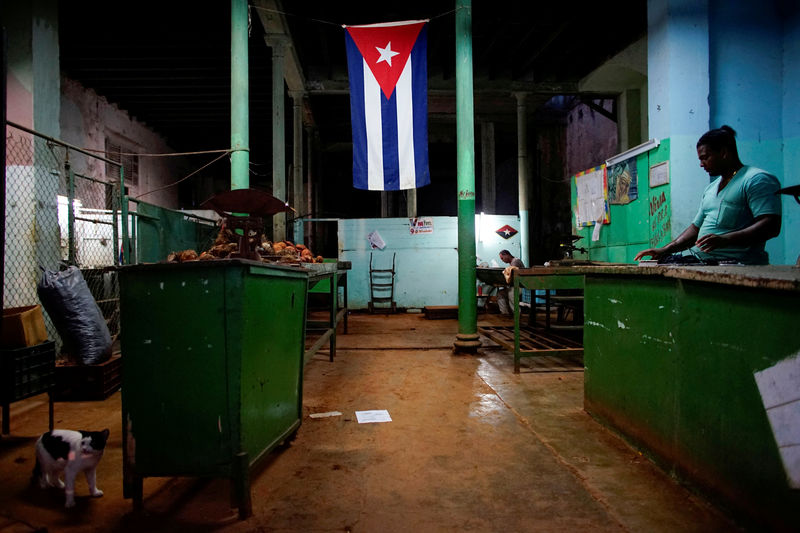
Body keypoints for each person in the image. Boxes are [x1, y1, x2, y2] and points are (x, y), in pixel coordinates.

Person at [634, 125, 782, 265]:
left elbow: (771, 226)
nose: (701, 164)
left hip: (739, 264)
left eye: (705, 157)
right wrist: (664, 250)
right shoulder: (711, 188)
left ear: (724, 153)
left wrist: (726, 239)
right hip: (706, 263)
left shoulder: (756, 180)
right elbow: (695, 229)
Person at [496, 250, 524, 315]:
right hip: (515, 285)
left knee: (511, 294)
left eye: (502, 258)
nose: (502, 260)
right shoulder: (512, 263)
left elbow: (512, 275)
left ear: (507, 255)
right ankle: (505, 313)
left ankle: (517, 315)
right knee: (501, 293)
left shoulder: (516, 261)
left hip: (521, 286)